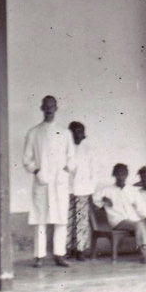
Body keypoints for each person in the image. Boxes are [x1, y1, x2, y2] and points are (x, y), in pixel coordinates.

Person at [22, 95, 74, 268]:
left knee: (61, 220)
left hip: (59, 183)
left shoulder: (65, 133)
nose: (49, 109)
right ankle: (39, 256)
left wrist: (65, 171)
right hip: (42, 182)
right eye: (46, 106)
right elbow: (27, 159)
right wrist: (37, 171)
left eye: (52, 106)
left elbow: (71, 157)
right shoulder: (33, 132)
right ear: (41, 108)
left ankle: (60, 255)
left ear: (56, 108)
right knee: (40, 220)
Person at [93, 163, 146, 263]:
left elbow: (141, 205)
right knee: (139, 224)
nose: (121, 177)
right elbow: (95, 199)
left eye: (123, 174)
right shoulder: (107, 191)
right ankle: (144, 255)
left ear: (126, 175)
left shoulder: (131, 190)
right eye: (118, 174)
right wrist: (104, 199)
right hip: (117, 221)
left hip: (132, 220)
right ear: (114, 175)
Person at [67, 121, 95, 261]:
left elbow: (93, 171)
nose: (78, 135)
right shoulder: (66, 148)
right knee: (68, 220)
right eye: (75, 132)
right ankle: (67, 249)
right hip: (67, 189)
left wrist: (91, 190)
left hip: (83, 190)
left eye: (80, 132)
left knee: (81, 221)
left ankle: (80, 250)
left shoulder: (89, 149)